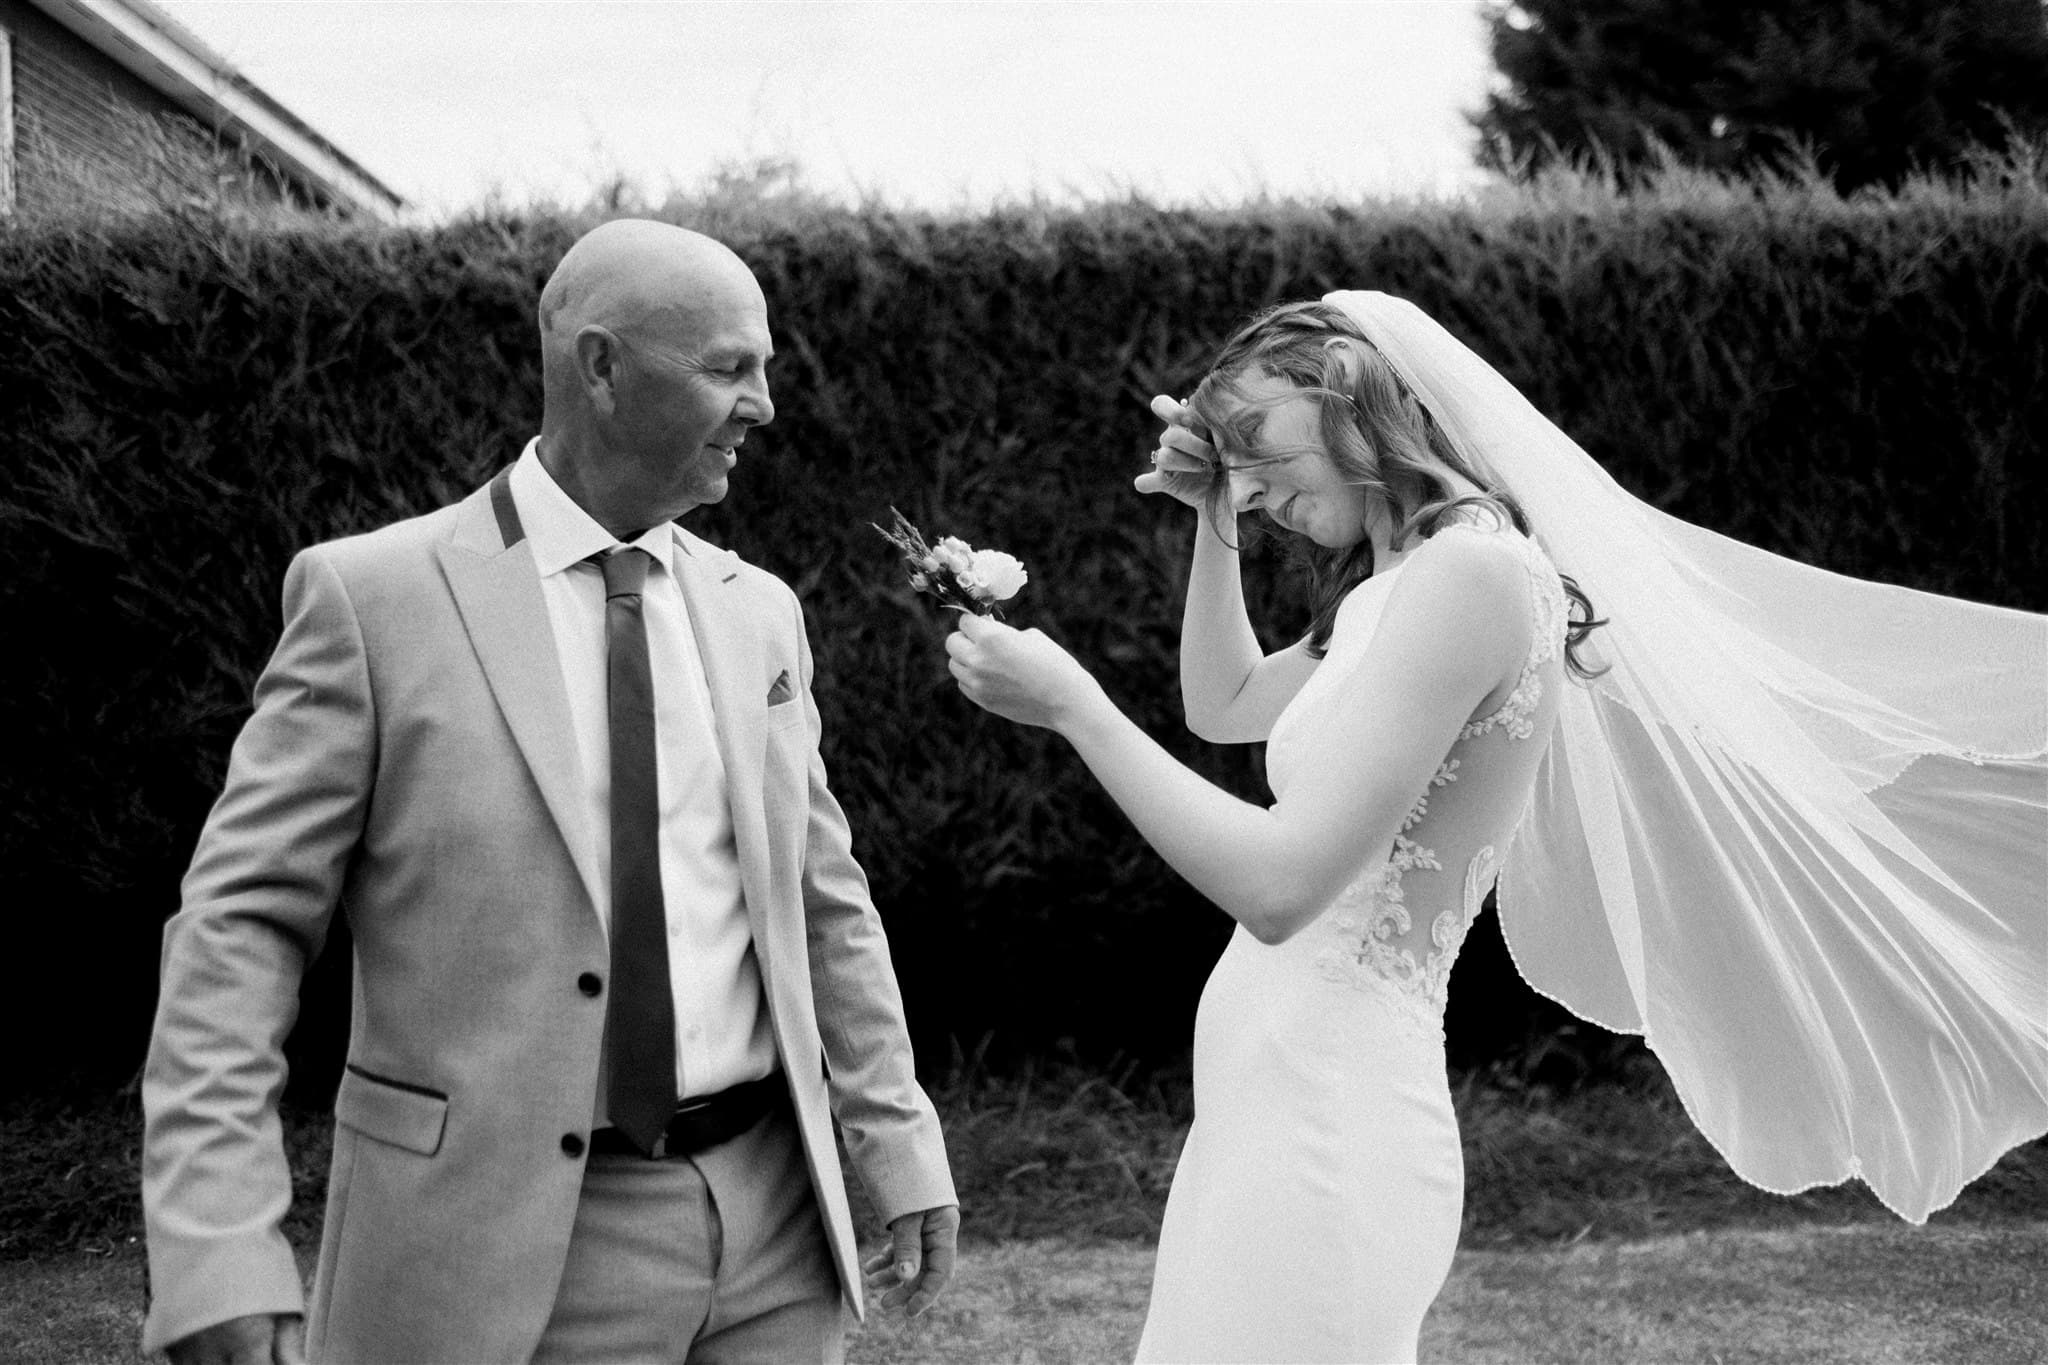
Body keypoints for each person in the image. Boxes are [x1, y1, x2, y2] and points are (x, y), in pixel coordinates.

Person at [943, 291, 2047, 1364]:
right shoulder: (1400, 582)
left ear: (1351, 389)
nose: (1241, 473)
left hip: (1328, 1119)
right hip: (1269, 1105)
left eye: (1250, 439)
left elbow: (1280, 889)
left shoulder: (1469, 574)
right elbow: (1221, 703)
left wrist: (1075, 708)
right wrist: (1211, 522)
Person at [140, 219, 959, 1365]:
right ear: (600, 366)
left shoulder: (757, 609)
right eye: (729, 367)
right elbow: (239, 931)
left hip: (777, 1228)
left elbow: (823, 896)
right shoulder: (372, 600)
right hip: (499, 1245)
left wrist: (895, 1135)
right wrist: (215, 1241)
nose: (765, 404)